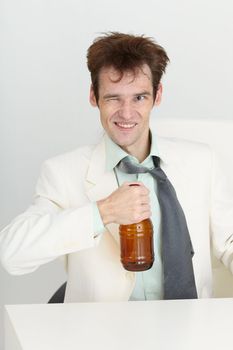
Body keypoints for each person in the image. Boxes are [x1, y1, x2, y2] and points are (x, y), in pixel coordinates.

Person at [0, 32, 233, 302]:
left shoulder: (203, 161)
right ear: (93, 96)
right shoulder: (63, 172)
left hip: (191, 331)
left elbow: (228, 241)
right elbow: (11, 254)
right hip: (105, 334)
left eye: (139, 98)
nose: (126, 112)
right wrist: (102, 212)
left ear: (157, 96)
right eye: (113, 98)